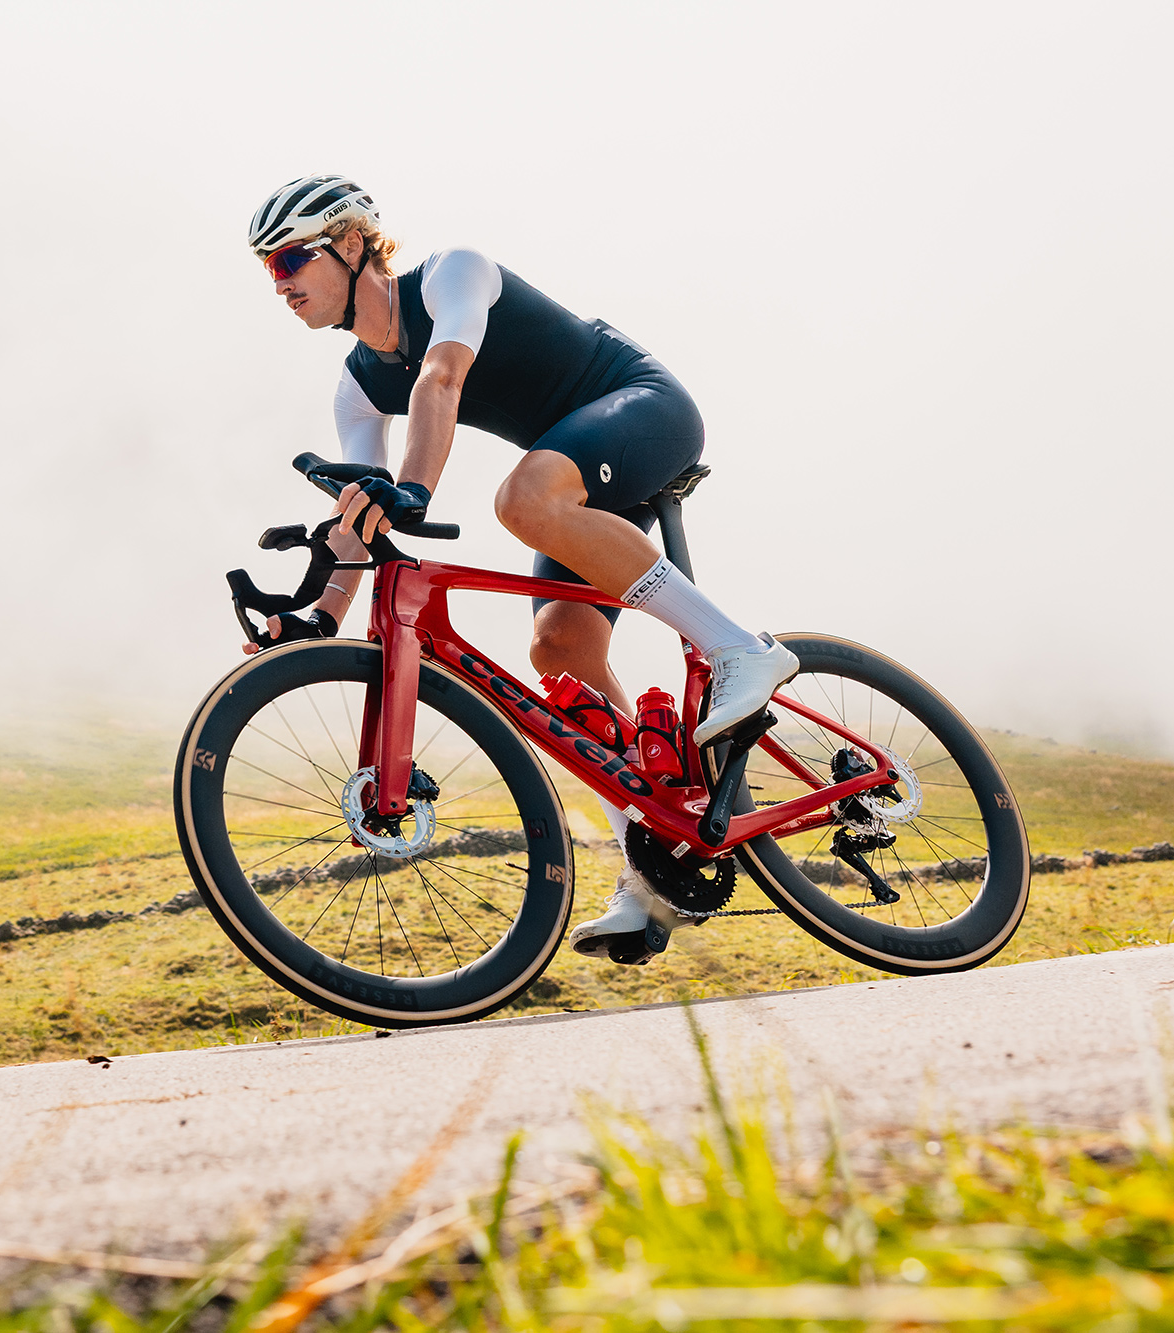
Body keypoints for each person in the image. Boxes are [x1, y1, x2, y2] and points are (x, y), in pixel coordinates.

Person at [244, 174, 798, 961]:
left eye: (291, 258)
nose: (281, 281)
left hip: (642, 408)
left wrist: (414, 488)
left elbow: (441, 378)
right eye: (269, 268)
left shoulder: (452, 274)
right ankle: (653, 863)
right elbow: (358, 522)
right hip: (576, 479)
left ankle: (739, 647)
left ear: (353, 241)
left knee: (522, 498)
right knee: (560, 654)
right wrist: (316, 618)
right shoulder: (357, 388)